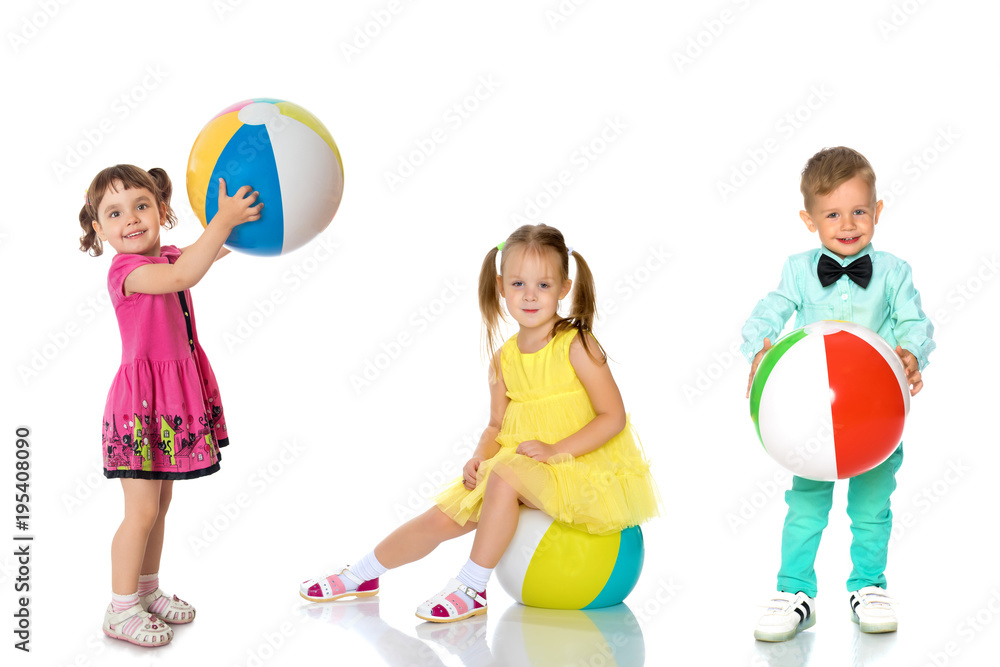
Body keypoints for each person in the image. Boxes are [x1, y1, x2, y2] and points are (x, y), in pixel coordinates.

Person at [300, 223, 660, 622]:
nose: (529, 294)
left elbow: (613, 417)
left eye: (543, 285)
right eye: (519, 283)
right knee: (443, 515)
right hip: (522, 464)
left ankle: (472, 586)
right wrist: (478, 457)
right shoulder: (504, 359)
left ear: (563, 288)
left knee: (505, 475)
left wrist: (556, 451)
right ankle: (362, 574)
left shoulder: (576, 343)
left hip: (581, 467)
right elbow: (496, 426)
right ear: (501, 287)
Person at [742, 147, 935, 642]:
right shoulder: (797, 270)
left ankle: (868, 586)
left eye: (859, 211)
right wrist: (758, 348)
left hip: (875, 419)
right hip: (809, 422)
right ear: (809, 219)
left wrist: (911, 352)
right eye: (832, 214)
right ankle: (794, 592)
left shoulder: (892, 272)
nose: (847, 224)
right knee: (805, 506)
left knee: (873, 508)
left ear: (878, 211)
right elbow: (770, 310)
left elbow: (916, 322)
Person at [79, 164, 261, 646]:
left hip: (169, 401)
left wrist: (250, 227)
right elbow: (188, 272)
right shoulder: (128, 271)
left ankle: (146, 590)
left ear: (161, 209)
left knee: (160, 505)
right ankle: (119, 610)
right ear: (99, 229)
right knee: (139, 512)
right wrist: (222, 221)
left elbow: (208, 254)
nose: (131, 219)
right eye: (114, 213)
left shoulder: (166, 256)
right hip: (141, 409)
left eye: (141, 205)